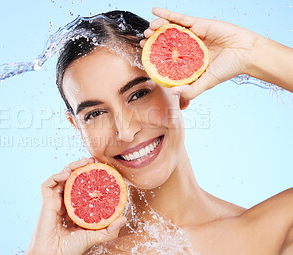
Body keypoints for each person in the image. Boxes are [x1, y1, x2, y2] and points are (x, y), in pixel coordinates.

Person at [26, 7, 293, 255]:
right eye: (95, 114)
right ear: (77, 127)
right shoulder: (72, 249)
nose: (126, 131)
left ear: (179, 89)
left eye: (139, 94)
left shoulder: (271, 233)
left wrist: (251, 52)